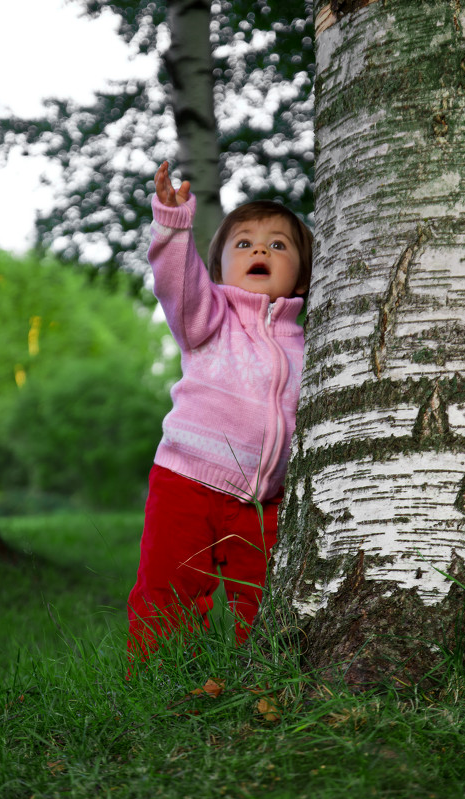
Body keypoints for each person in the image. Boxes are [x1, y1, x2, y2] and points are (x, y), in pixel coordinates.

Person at [127, 161, 313, 662]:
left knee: (266, 598)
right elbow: (176, 282)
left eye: (279, 245)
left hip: (265, 500)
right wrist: (172, 223)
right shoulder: (207, 317)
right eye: (244, 243)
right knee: (169, 587)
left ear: (301, 279)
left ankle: (256, 677)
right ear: (218, 271)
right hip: (186, 479)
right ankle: (157, 675)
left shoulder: (310, 341)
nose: (260, 249)